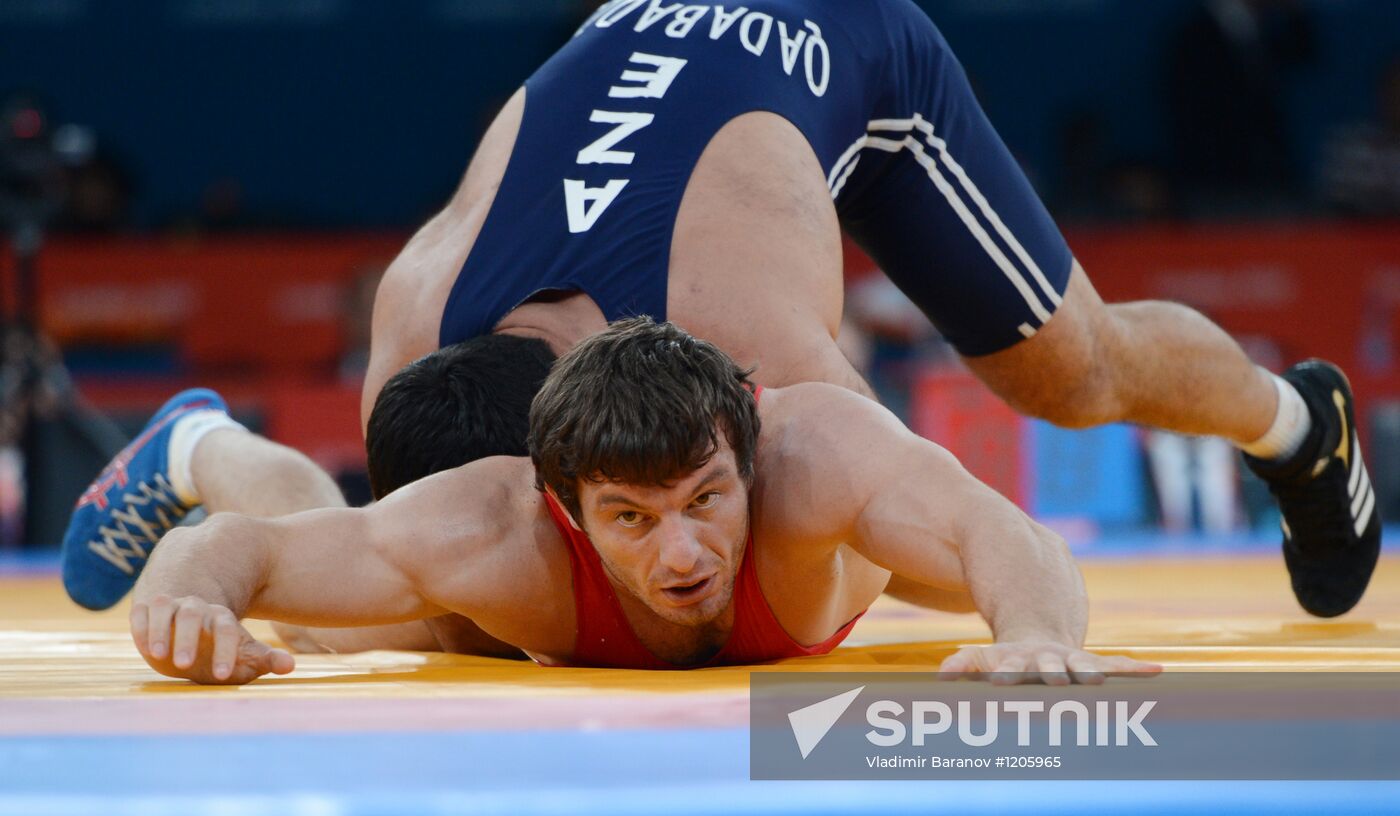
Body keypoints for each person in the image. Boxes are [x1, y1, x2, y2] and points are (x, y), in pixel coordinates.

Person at [63, 0, 1377, 623]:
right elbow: (431, 525)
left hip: (841, 51)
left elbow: (910, 534)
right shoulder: (420, 328)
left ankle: (1291, 421)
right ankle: (196, 448)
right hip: (641, 52)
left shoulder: (737, 326)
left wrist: (1010, 617)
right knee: (438, 578)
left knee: (1071, 370)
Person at [120, 319, 1161, 685]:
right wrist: (188, 593)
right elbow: (242, 552)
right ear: (565, 508)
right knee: (322, 620)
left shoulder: (815, 458)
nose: (682, 553)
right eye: (629, 516)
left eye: (705, 497)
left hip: (823, 561)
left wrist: (1030, 635)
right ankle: (202, 445)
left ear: (748, 459)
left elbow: (1005, 531)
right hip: (538, 605)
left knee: (961, 572)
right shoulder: (493, 529)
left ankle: (204, 441)